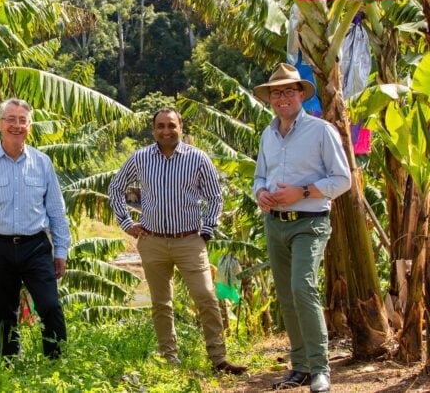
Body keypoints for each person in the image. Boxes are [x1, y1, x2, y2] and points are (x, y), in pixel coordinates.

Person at [108, 107, 248, 375]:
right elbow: (115, 189)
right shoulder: (140, 158)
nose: (166, 131)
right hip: (153, 241)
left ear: (181, 127)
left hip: (189, 240)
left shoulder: (197, 158)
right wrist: (127, 224)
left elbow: (215, 197)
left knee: (206, 297)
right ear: (153, 130)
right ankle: (169, 359)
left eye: (171, 125)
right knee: (162, 303)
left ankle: (218, 359)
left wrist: (207, 230)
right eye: (160, 126)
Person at [253, 63, 351, 393]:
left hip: (310, 222)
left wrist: (302, 192)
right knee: (286, 296)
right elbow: (259, 177)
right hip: (275, 224)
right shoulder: (268, 133)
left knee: (302, 288)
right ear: (269, 98)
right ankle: (300, 367)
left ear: (300, 94)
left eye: (289, 91)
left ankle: (320, 368)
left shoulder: (321, 131)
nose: (282, 98)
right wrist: (261, 194)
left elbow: (342, 180)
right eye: (276, 92)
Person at [0, 98, 70, 360]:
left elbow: (56, 210)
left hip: (36, 246)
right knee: (3, 313)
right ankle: (9, 365)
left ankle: (57, 361)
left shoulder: (42, 163)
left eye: (22, 120)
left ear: (29, 126)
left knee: (50, 305)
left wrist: (61, 251)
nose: (16, 125)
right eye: (10, 119)